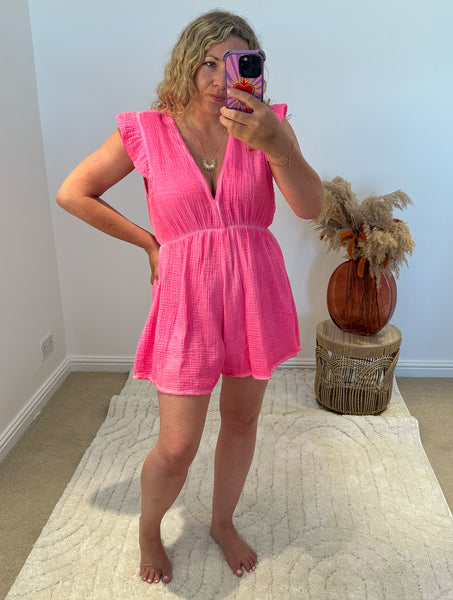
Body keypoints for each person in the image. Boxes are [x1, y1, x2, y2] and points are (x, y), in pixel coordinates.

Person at [56, 9, 323, 586]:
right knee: (177, 445)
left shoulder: (269, 126)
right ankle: (150, 529)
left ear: (253, 68)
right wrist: (148, 242)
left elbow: (310, 207)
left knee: (242, 419)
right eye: (207, 62)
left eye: (235, 63)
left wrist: (276, 145)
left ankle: (222, 521)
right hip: (187, 299)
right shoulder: (146, 130)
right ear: (186, 63)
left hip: (255, 290)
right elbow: (73, 193)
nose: (220, 77)